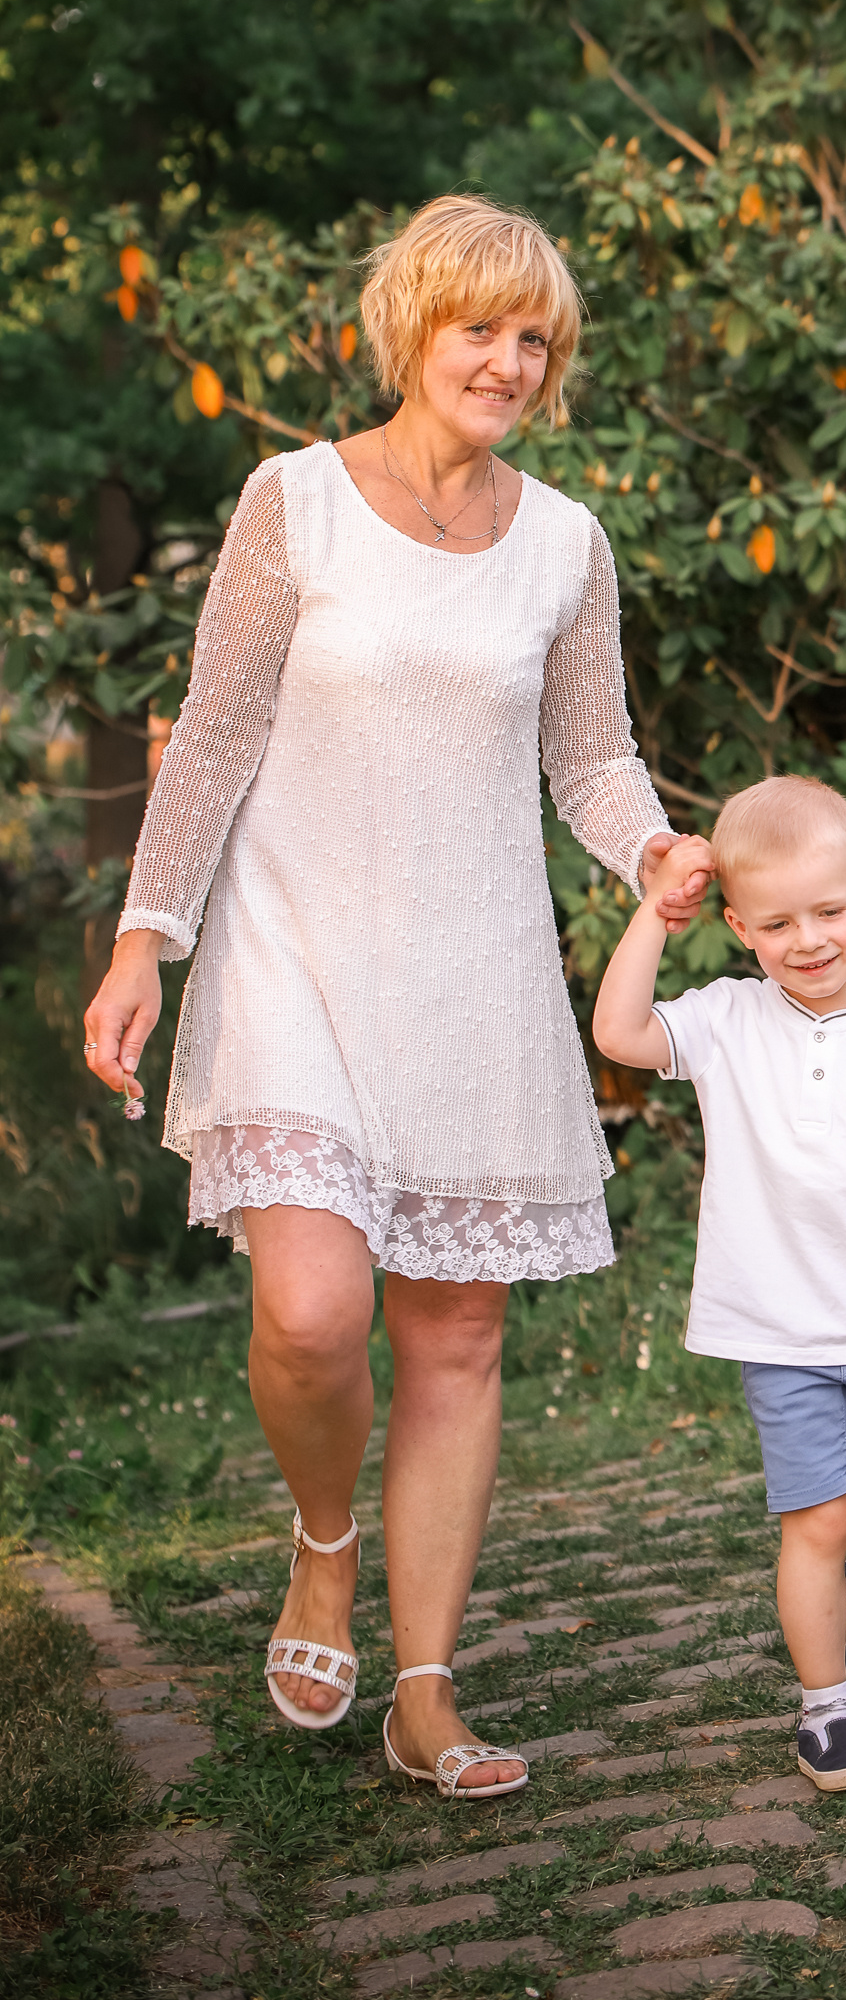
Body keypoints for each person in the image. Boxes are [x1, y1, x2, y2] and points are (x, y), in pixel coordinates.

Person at [82, 194, 706, 1798]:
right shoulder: (291, 500)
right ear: (411, 329)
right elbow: (213, 735)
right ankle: (321, 1542)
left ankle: (425, 1687)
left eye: (533, 340)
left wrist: (653, 856)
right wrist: (147, 936)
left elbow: (590, 756)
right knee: (307, 1311)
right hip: (293, 954)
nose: (506, 361)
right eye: (478, 328)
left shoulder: (567, 541)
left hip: (477, 972)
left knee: (455, 1338)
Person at [592, 776, 846, 1790]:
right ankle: (826, 1710)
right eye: (775, 921)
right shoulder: (725, 1020)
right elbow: (620, 1032)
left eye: (827, 911)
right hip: (781, 1330)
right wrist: (652, 909)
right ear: (737, 926)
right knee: (814, 1519)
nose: (807, 938)